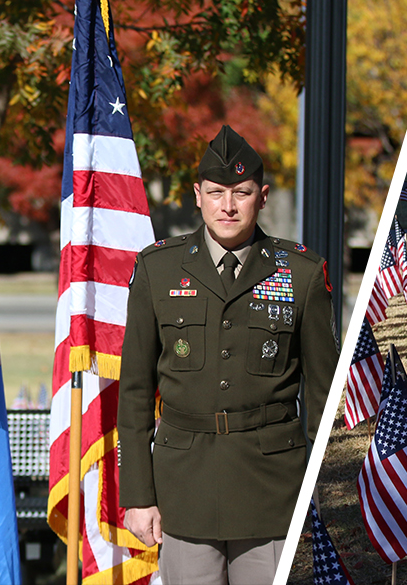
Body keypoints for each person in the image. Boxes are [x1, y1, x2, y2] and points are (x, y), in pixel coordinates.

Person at [116, 125, 337, 584]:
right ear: (197, 195)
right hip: (185, 489)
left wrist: (321, 487)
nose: (228, 206)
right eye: (216, 192)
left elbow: (322, 392)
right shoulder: (157, 269)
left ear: (263, 196)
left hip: (272, 489)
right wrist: (138, 496)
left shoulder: (301, 273)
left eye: (242, 192)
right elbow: (135, 390)